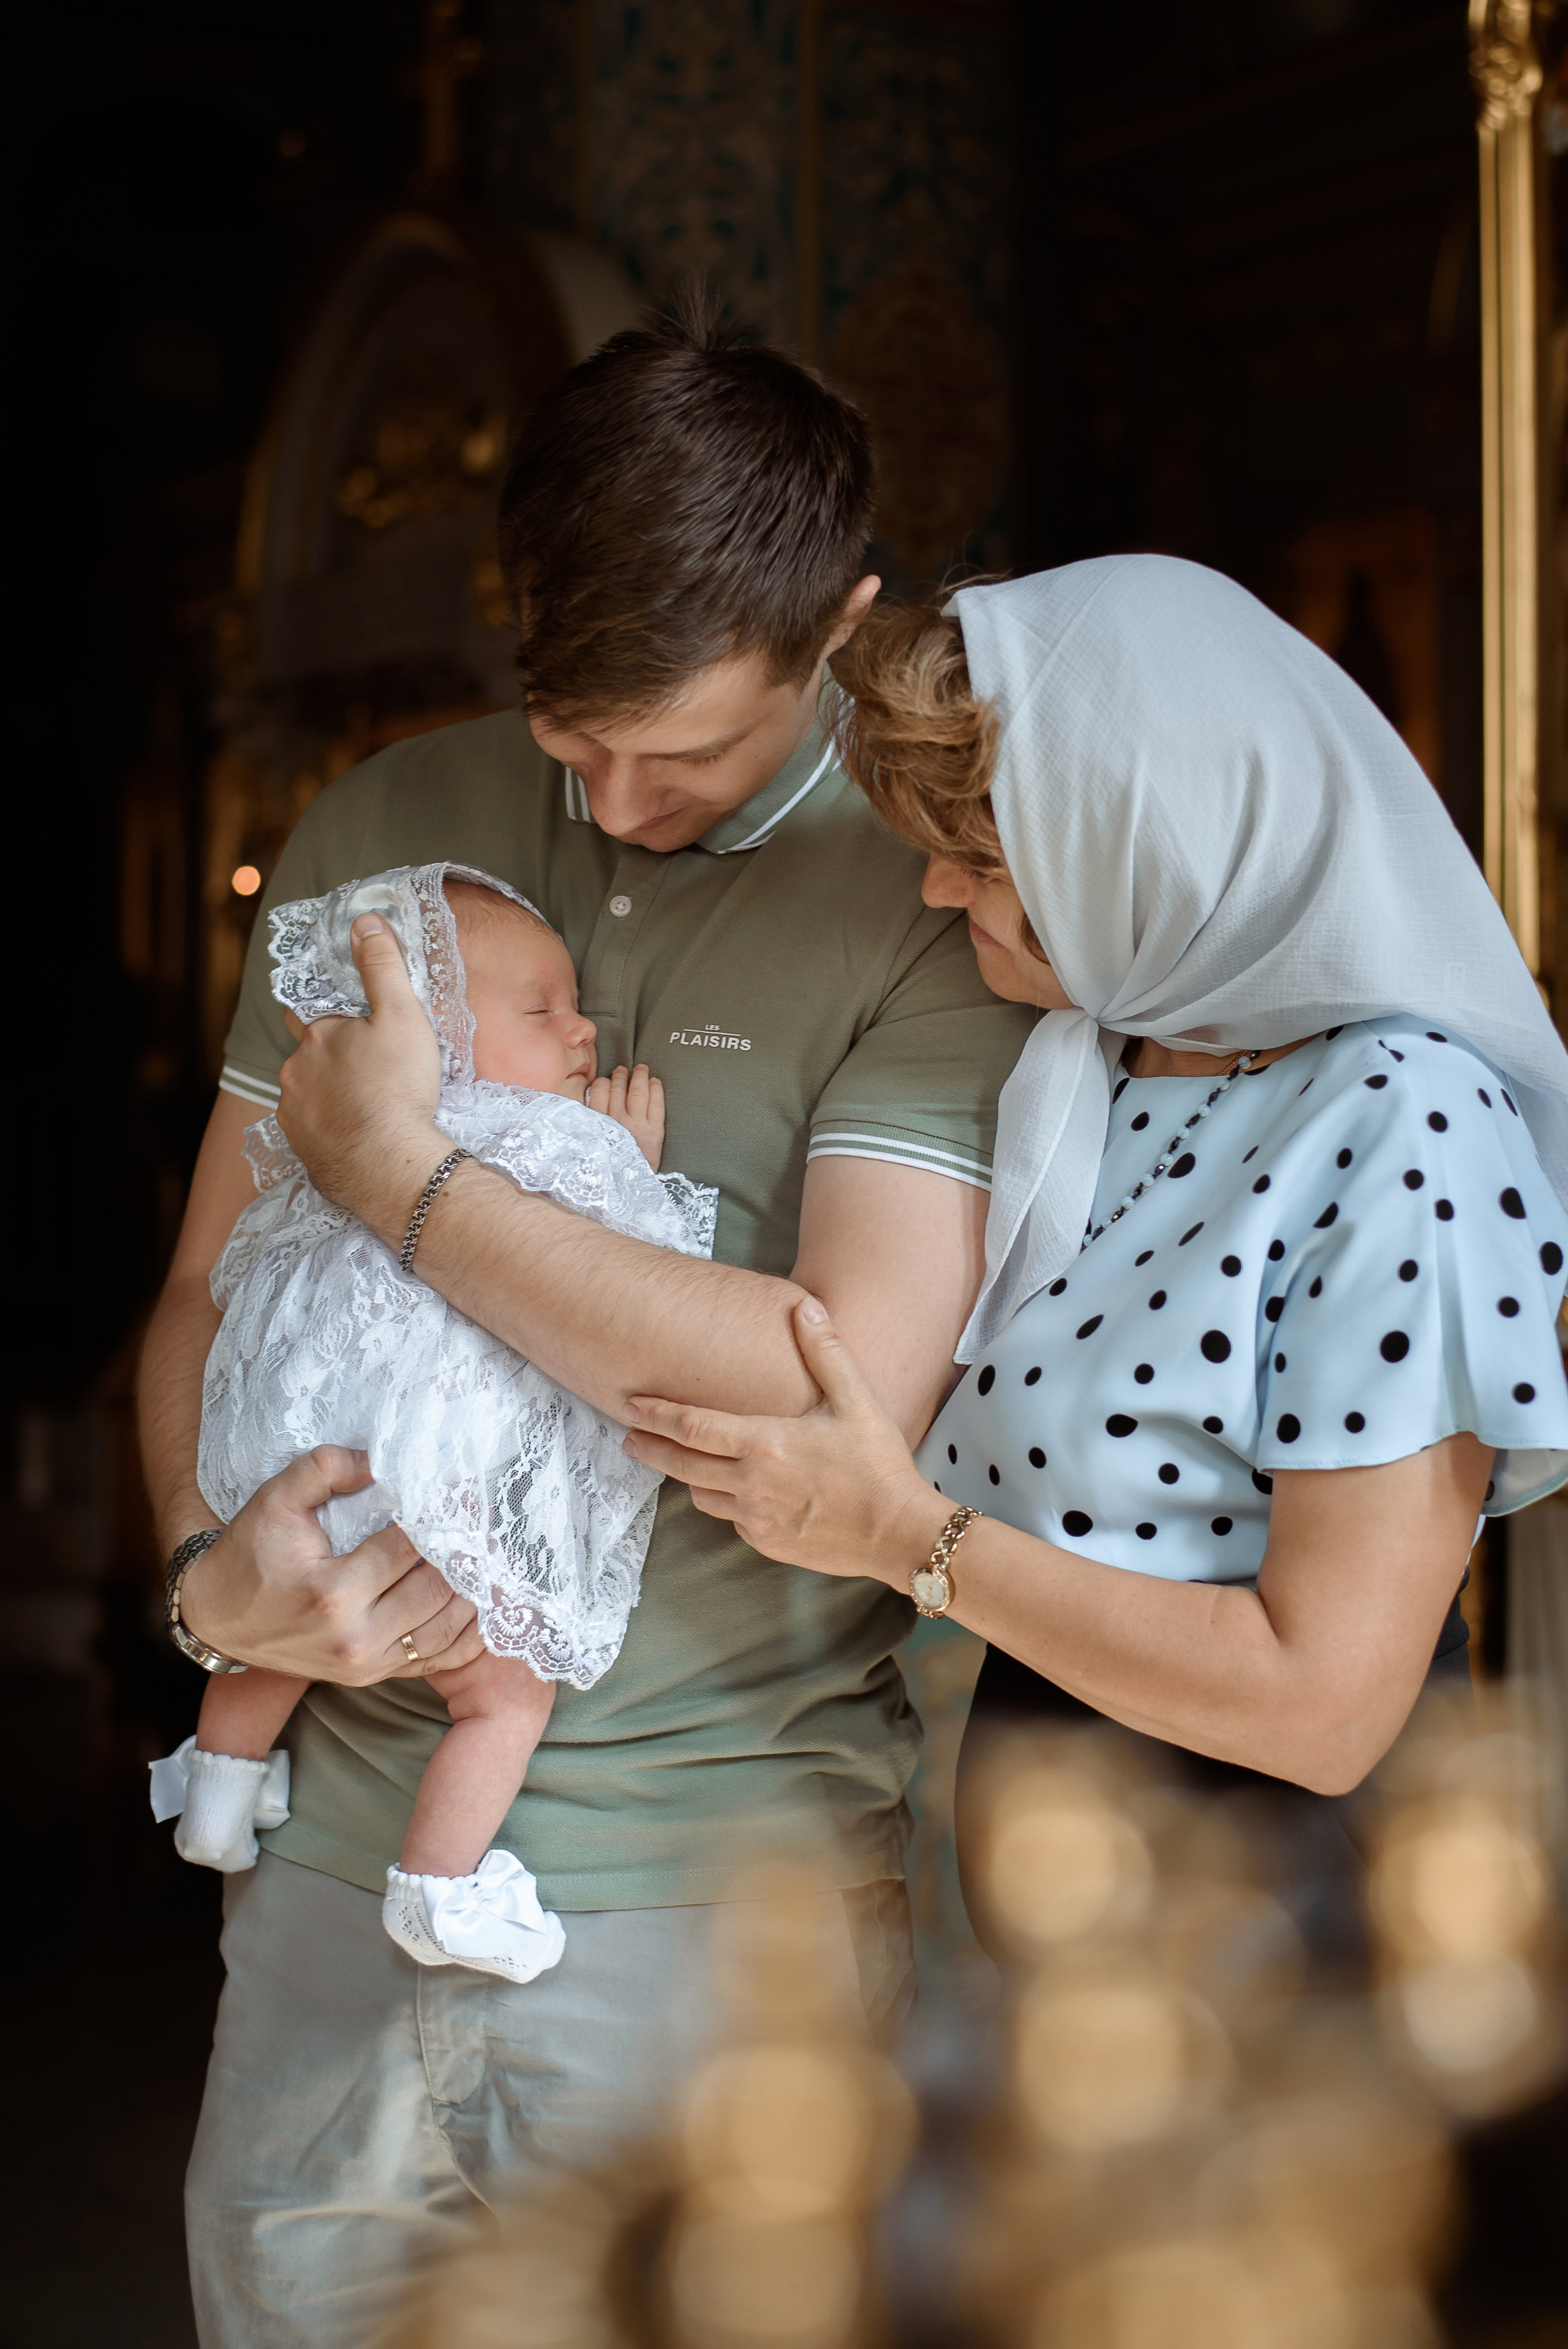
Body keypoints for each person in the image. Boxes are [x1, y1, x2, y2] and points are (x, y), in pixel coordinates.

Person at [138, 301, 1033, 2343]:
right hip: (325, 1884)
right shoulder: (381, 834)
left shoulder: (934, 890)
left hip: (724, 1913)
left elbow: (832, 1377)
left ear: (839, 625)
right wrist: (209, 1585)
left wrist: (404, 1175)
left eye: (686, 754)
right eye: (569, 740)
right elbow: (207, 1288)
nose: (617, 803)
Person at [614, 556, 1568, 1951]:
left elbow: (1327, 1710)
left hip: (1275, 1930)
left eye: (990, 863)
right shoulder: (1098, 1061)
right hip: (1066, 1909)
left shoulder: (1402, 1121)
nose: (934, 889)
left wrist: (902, 1537)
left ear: (1156, 857)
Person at [153, 864, 715, 1994]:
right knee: (506, 1697)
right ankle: (439, 1885)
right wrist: (628, 1163)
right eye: (542, 1009)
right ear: (439, 1037)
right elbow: (633, 1292)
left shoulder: (335, 1134)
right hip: (443, 1501)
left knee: (274, 1633)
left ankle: (218, 1786)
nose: (583, 1029)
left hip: (312, 1475)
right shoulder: (546, 1144)